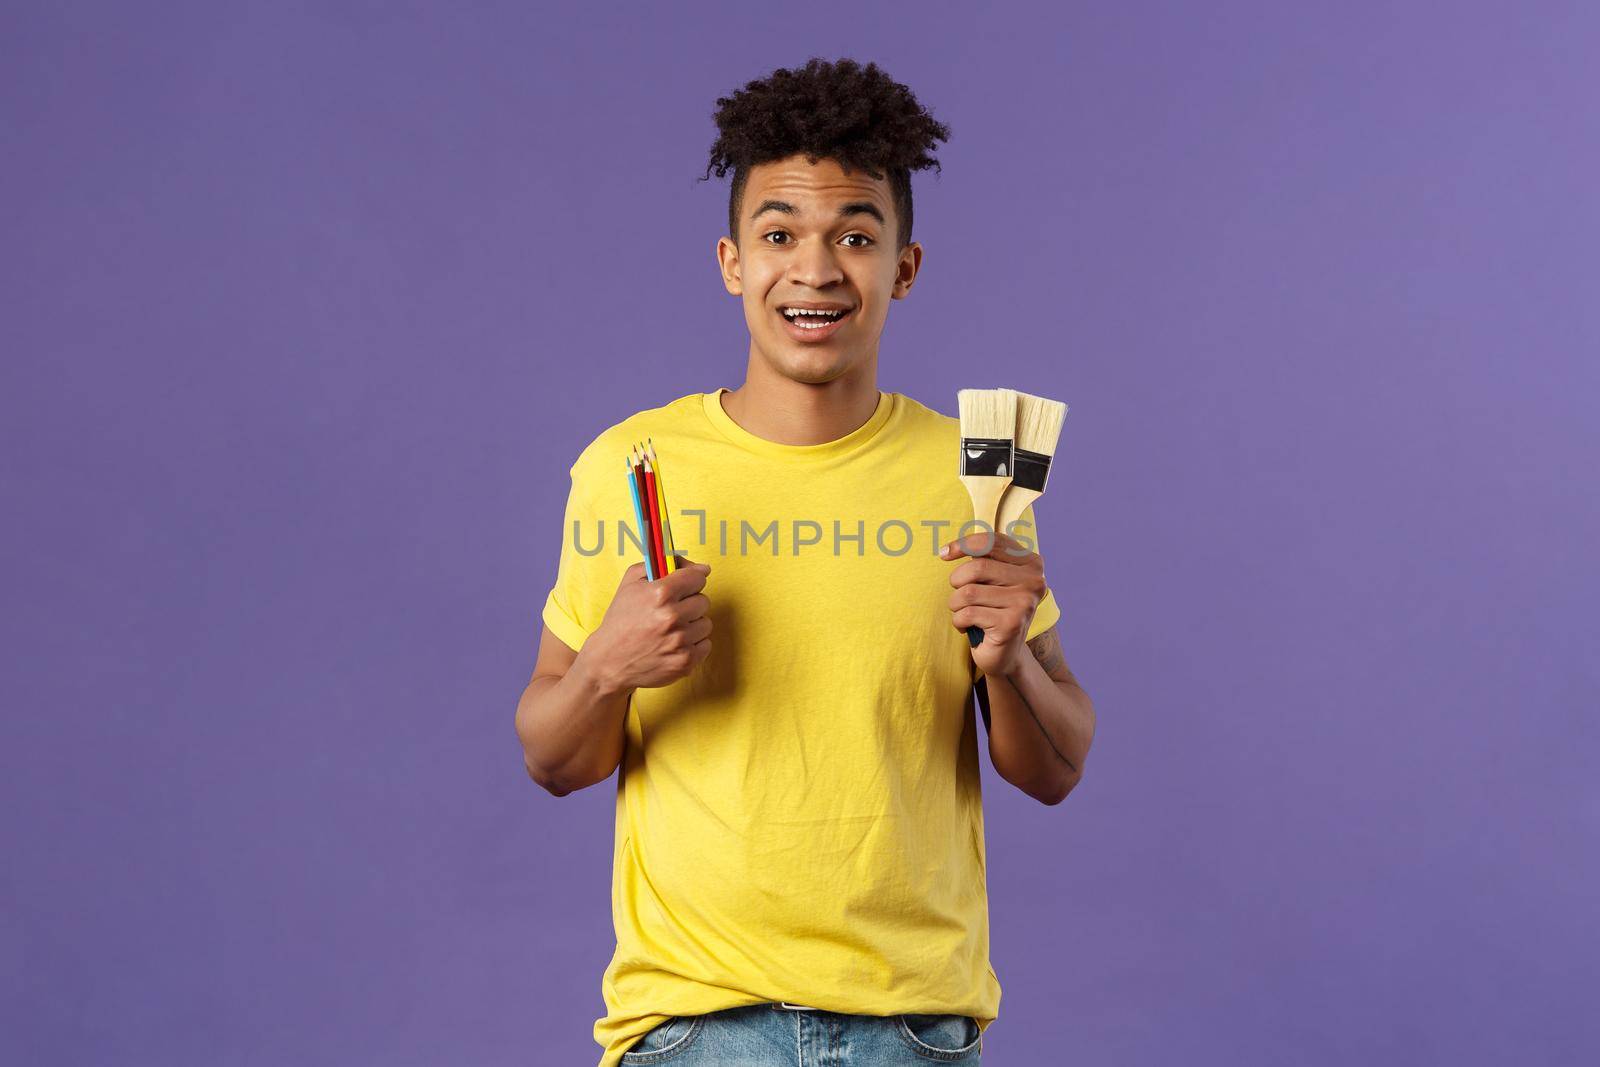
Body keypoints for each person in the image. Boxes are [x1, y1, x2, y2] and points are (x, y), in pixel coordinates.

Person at [514, 56, 1096, 1067]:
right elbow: (554, 756)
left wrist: (1004, 664)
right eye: (779, 233)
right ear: (733, 261)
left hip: (913, 1026)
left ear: (903, 267)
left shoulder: (972, 474)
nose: (817, 269)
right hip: (695, 1022)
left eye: (856, 236)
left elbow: (1055, 768)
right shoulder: (629, 466)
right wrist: (608, 664)